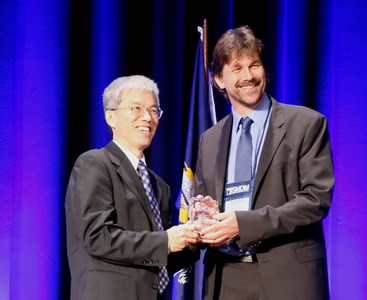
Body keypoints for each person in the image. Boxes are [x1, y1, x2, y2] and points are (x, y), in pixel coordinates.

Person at [196, 26, 334, 299]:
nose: (248, 76)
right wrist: (205, 215)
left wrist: (244, 224)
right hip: (226, 276)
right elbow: (204, 201)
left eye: (254, 65)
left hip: (288, 278)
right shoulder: (209, 140)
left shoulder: (306, 124)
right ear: (219, 80)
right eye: (236, 68)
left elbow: (315, 200)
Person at [65, 75, 200, 300]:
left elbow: (158, 257)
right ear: (111, 117)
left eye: (154, 110)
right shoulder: (95, 163)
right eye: (136, 108)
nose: (147, 117)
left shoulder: (159, 185)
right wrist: (165, 241)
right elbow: (98, 238)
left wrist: (193, 240)